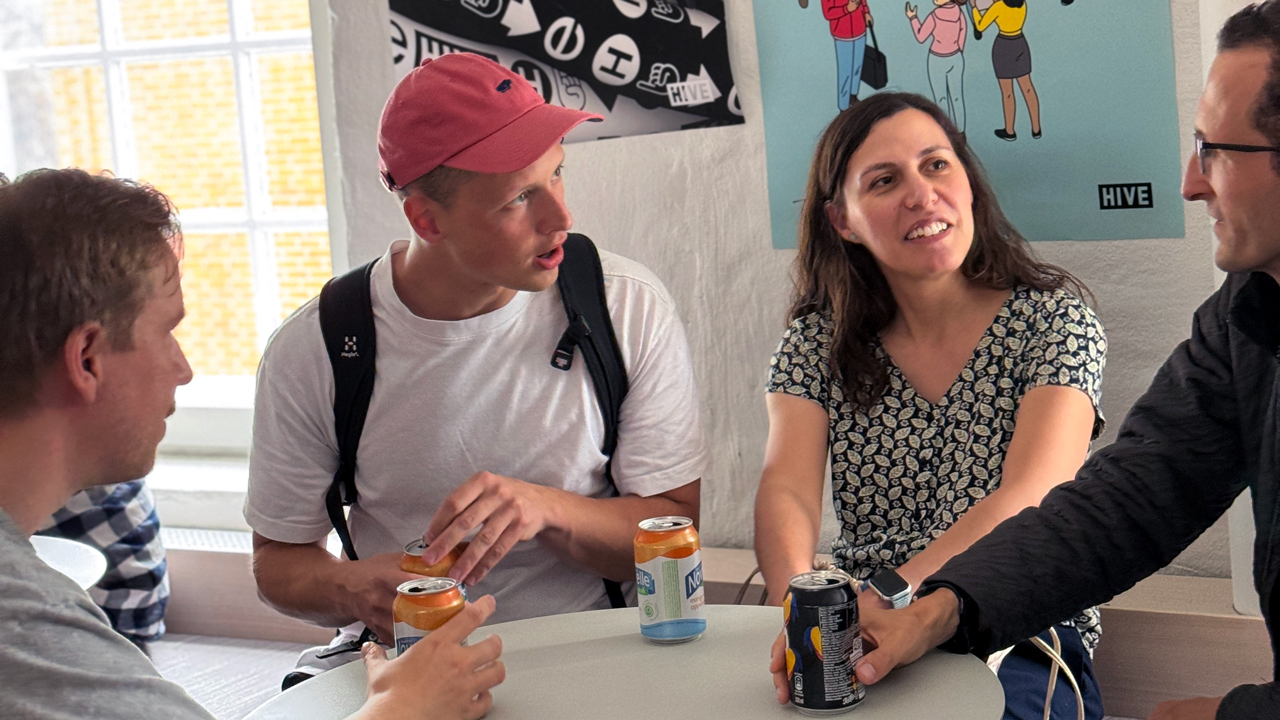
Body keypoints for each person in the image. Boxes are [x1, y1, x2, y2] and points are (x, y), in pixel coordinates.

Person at [849, 4, 1280, 719]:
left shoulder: (1052, 318)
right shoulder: (1249, 311)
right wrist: (942, 607)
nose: (1190, 183)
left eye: (1213, 150)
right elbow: (1130, 497)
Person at [0, 168, 505, 720]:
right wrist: (403, 709)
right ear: (88, 359)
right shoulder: (25, 624)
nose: (184, 369)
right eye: (168, 331)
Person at [245, 52, 707, 644]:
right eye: (519, 198)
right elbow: (277, 562)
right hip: (411, 669)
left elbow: (674, 524)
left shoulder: (624, 306)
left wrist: (544, 509)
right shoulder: (320, 347)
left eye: (558, 173)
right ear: (427, 220)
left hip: (598, 652)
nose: (561, 216)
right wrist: (356, 588)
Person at [755, 92, 1106, 719]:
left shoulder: (1056, 323)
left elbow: (1032, 494)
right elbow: (787, 490)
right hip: (860, 627)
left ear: (968, 181)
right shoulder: (816, 341)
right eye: (886, 181)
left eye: (937, 165)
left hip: (1015, 627)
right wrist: (804, 615)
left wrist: (894, 592)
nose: (922, 195)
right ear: (844, 222)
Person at [972, 0, 1041, 141]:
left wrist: (974, 8)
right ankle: (1036, 127)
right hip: (1020, 42)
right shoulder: (1022, 4)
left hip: (1003, 46)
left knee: (1007, 91)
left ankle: (1010, 130)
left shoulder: (998, 7)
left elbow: (980, 25)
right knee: (1027, 87)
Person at [907, 0, 969, 133]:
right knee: (957, 97)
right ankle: (960, 132)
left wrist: (913, 17)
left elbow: (920, 36)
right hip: (956, 57)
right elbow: (962, 35)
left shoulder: (935, 15)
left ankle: (947, 133)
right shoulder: (959, 13)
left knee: (941, 98)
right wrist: (958, 52)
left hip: (937, 58)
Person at [823, 0, 876, 110]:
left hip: (860, 30)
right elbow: (828, 13)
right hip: (842, 35)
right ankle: (844, 107)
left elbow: (862, 1)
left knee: (857, 67)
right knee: (845, 72)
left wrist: (866, 13)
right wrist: (846, 9)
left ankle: (853, 96)